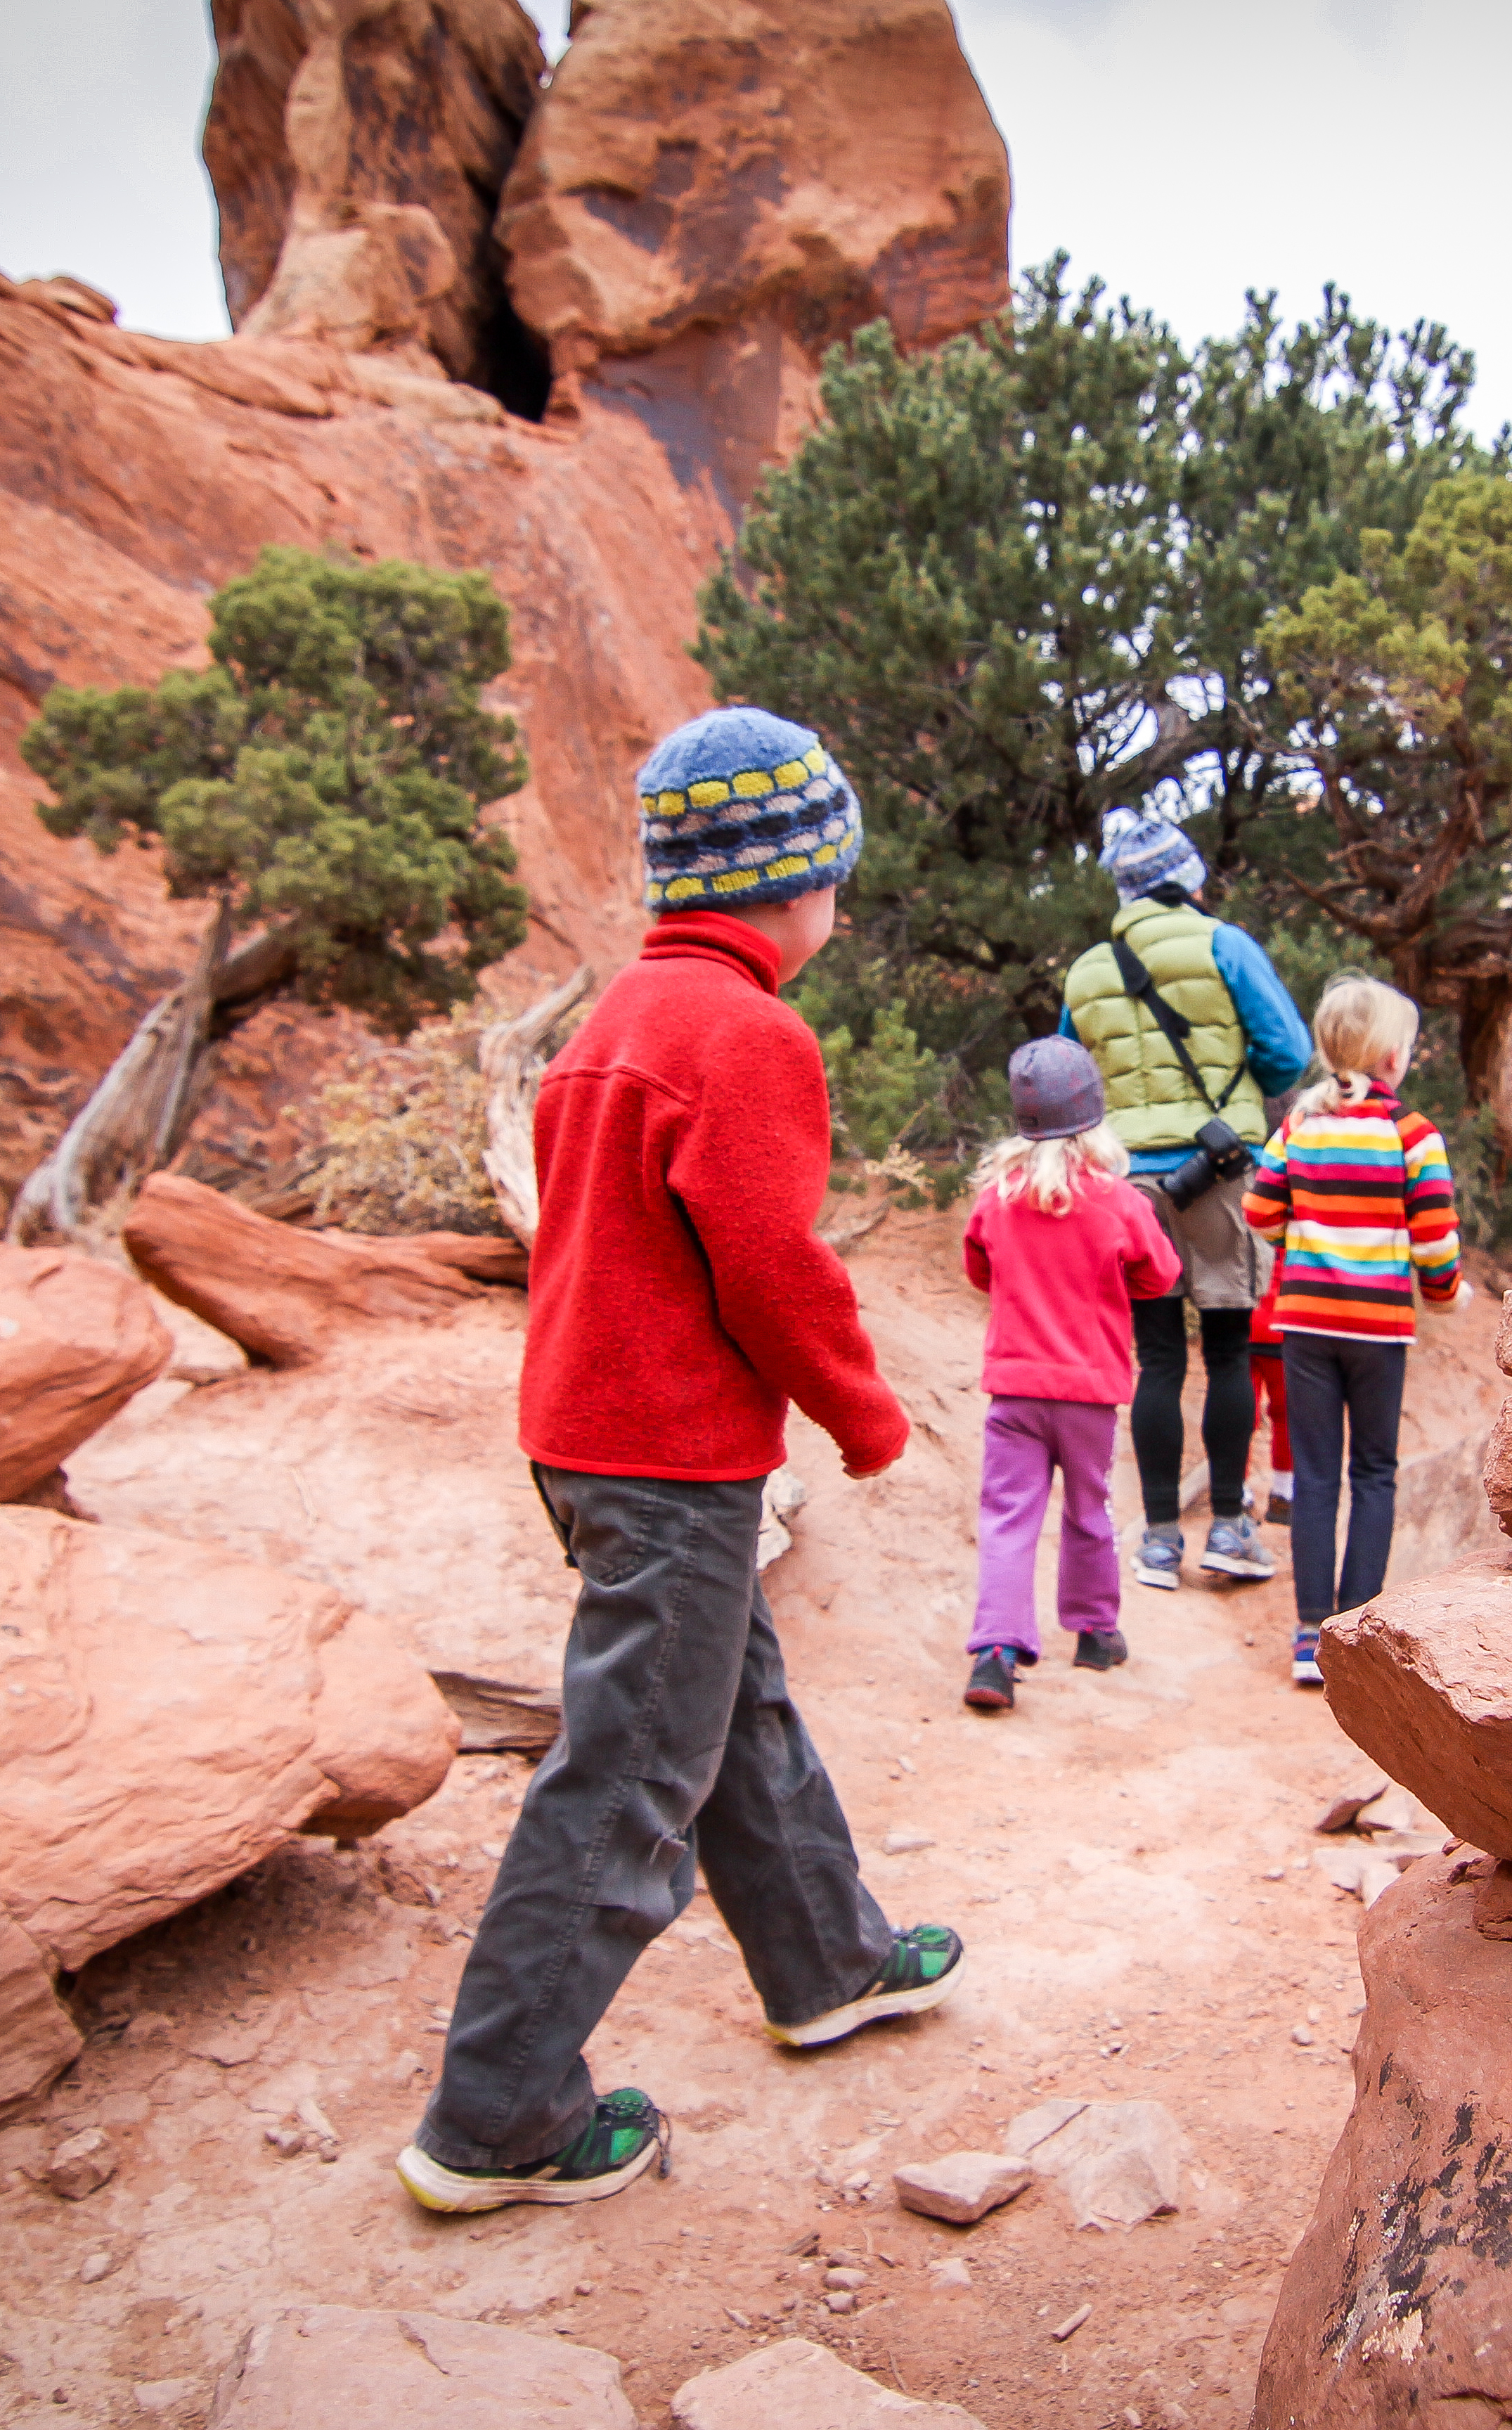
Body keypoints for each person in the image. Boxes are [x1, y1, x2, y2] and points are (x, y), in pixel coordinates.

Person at [399, 706, 962, 2215]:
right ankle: (499, 2114)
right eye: (835, 870)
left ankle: (829, 1963)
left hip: (589, 1439)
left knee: (730, 1704)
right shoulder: (750, 1037)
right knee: (633, 1770)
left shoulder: (619, 1026)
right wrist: (863, 1414)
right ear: (795, 884)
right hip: (670, 1458)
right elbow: (772, 1270)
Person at [1057, 803, 1314, 1596]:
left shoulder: (1088, 969)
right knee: (1231, 1351)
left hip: (1128, 1182)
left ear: (1126, 889)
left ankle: (1161, 1541)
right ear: (1187, 879)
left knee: (1159, 1359)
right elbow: (1289, 1055)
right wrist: (1246, 1089)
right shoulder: (1224, 945)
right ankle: (1233, 1528)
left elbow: (1068, 1079)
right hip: (1222, 1167)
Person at [1241, 975, 1460, 1688]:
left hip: (1304, 1320)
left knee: (1314, 1475)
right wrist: (1444, 1293)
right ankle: (1355, 1634)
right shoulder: (1412, 1134)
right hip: (1378, 1327)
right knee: (1372, 1472)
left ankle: (1308, 1636)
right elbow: (1434, 1238)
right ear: (1391, 1056)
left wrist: (1304, 1233)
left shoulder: (1301, 1126)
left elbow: (1259, 1211)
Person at [957, 1038, 1180, 1713]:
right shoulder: (1117, 1202)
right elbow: (1161, 1274)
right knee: (1090, 1511)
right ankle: (1093, 1630)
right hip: (1090, 1395)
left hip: (1016, 1391)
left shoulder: (998, 1198)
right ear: (1094, 1119)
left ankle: (995, 1655)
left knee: (1007, 1516)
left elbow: (978, 1269)